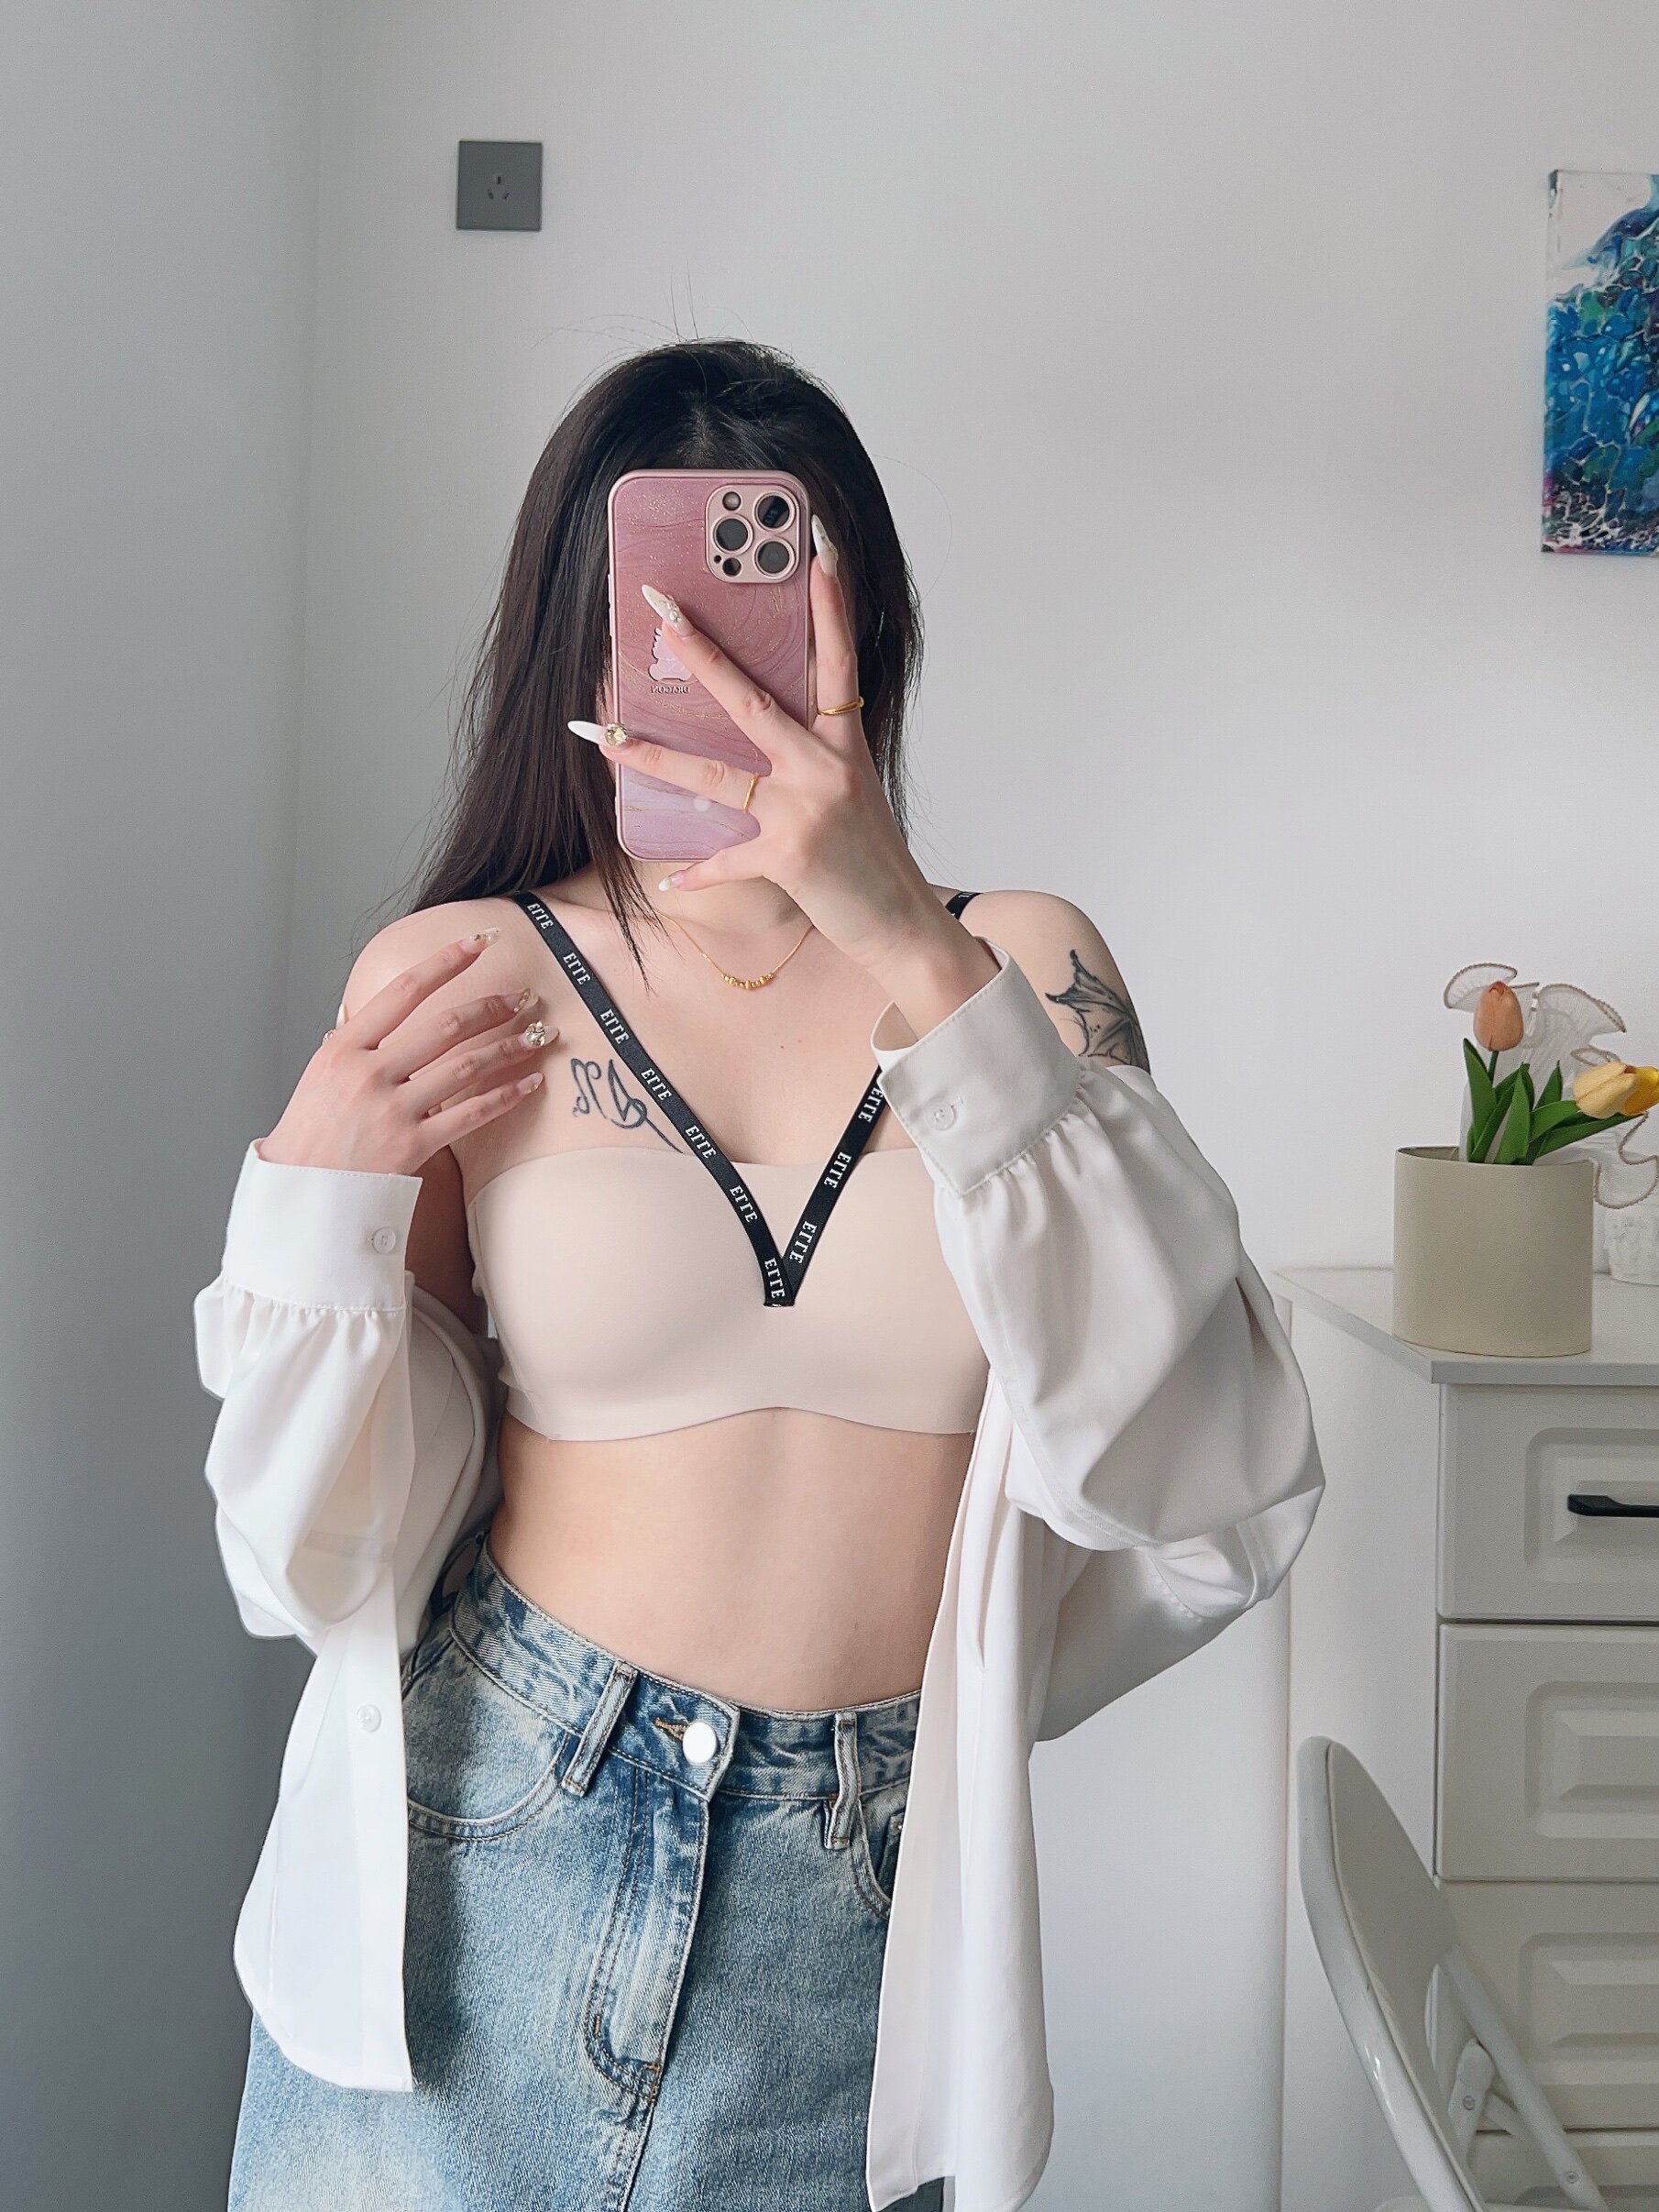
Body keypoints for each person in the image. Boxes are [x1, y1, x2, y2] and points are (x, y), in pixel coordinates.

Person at [194, 339, 1324, 2212]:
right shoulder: (466, 969)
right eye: (661, 622)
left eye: (771, 617)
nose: (714, 673)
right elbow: (293, 1554)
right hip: (485, 1846)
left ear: (867, 631)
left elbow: (1207, 1455)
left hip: (856, 1909)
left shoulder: (1022, 969)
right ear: (578, 648)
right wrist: (308, 1203)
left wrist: (894, 927)